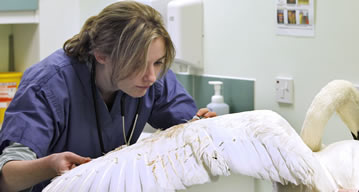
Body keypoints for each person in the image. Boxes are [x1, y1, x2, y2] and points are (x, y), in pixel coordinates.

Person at [0, 1, 215, 191]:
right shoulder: (48, 85)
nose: (151, 76)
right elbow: (7, 178)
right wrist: (50, 165)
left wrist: (201, 126)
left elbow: (187, 128)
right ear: (101, 54)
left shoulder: (154, 79)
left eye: (158, 62)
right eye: (138, 63)